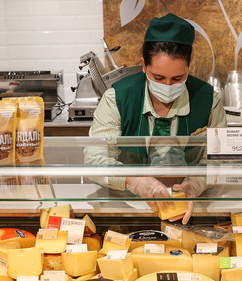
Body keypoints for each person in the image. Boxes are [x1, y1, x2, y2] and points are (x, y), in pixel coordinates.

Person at [87, 13, 227, 224]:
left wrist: (194, 185)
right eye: (158, 78)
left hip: (191, 212)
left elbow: (221, 161)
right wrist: (136, 182)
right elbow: (94, 160)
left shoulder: (209, 100)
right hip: (128, 210)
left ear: (188, 69)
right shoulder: (117, 98)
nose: (168, 86)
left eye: (178, 78)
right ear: (144, 65)